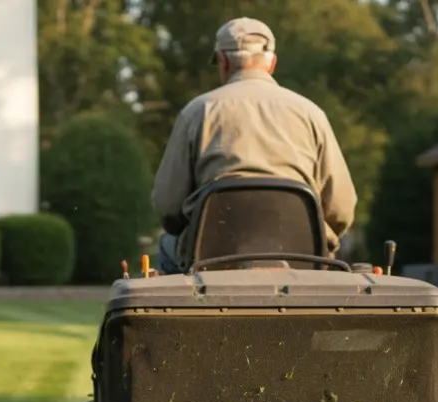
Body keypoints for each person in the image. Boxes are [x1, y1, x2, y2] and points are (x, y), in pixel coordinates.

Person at [150, 17, 359, 274]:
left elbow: (168, 208)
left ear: (223, 62)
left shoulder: (197, 112)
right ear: (272, 63)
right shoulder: (311, 114)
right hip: (302, 256)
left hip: (210, 258)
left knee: (167, 245)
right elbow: (341, 209)